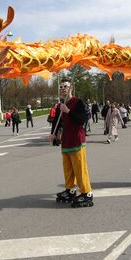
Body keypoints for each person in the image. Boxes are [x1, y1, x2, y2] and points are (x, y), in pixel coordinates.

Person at [51, 79, 93, 207]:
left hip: (77, 140)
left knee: (80, 169)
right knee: (68, 168)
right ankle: (70, 190)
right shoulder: (60, 105)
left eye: (66, 86)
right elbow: (56, 122)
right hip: (66, 140)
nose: (63, 88)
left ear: (71, 88)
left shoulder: (78, 102)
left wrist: (69, 111)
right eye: (61, 87)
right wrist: (53, 134)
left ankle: (86, 193)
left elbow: (82, 120)